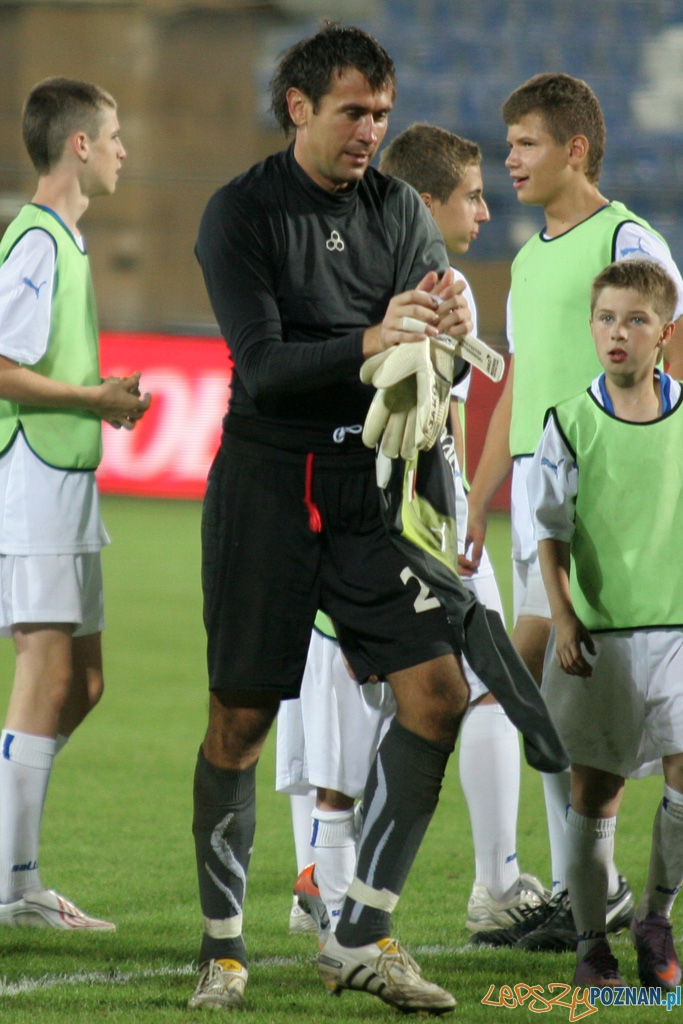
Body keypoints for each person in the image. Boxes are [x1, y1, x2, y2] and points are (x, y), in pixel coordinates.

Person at [191, 24, 475, 1014]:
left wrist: (444, 340)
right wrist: (371, 335)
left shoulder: (398, 210)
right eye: (353, 111)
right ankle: (222, 947)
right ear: (299, 106)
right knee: (240, 720)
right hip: (270, 486)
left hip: (371, 488)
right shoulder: (240, 212)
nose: (370, 131)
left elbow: (428, 356)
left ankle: (360, 930)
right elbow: (262, 368)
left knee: (436, 696)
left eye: (381, 114)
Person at [463, 72, 683, 951]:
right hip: (538, 498)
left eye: (525, 143)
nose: (509, 160)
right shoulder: (525, 258)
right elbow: (520, 384)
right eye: (508, 145)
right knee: (545, 700)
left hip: (607, 504)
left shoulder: (626, 237)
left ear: (575, 149)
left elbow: (671, 349)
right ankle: (586, 889)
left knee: (522, 687)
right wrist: (478, 494)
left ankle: (589, 890)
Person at [0, 77, 151, 930]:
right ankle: (12, 886)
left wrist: (98, 399)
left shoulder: (63, 239)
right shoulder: (38, 241)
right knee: (47, 672)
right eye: (115, 135)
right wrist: (92, 399)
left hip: (63, 481)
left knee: (83, 683)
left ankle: (9, 847)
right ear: (80, 145)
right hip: (33, 480)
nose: (125, 149)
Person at [530, 258, 683, 989]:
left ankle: (656, 920)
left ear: (665, 333)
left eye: (635, 320)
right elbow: (550, 533)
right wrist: (562, 617)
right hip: (598, 641)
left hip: (678, 633)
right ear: (591, 327)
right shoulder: (568, 421)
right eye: (606, 319)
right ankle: (593, 944)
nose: (617, 332)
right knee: (596, 797)